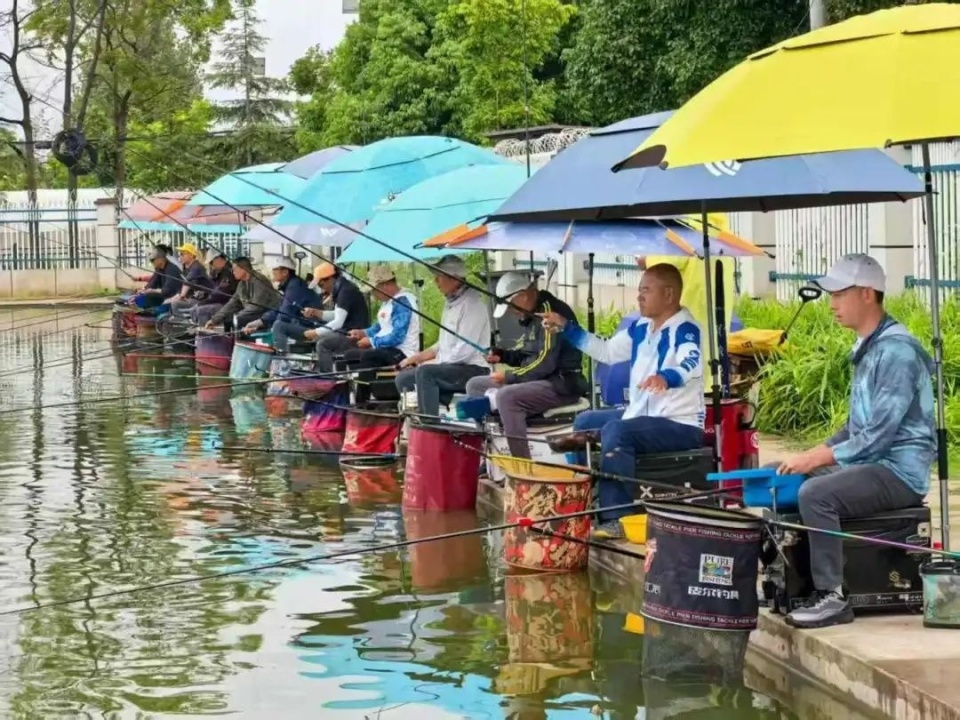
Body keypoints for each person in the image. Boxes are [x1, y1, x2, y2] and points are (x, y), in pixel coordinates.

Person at [768, 254, 934, 630]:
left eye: (839, 295)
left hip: (897, 473)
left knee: (816, 494)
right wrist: (809, 455)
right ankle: (795, 582)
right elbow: (855, 426)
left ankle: (833, 597)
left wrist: (819, 460)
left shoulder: (896, 352)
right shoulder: (869, 347)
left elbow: (876, 438)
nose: (832, 304)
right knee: (778, 474)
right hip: (870, 464)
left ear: (866, 295)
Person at [542, 264, 705, 539]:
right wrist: (567, 329)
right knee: (584, 421)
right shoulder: (641, 327)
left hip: (679, 424)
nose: (639, 297)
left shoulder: (686, 328)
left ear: (668, 294)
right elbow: (605, 351)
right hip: (640, 415)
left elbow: (693, 363)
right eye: (639, 290)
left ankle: (617, 517)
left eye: (645, 290)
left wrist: (667, 377)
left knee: (616, 431)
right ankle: (585, 501)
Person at [465, 271, 586, 459]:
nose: (513, 312)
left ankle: (522, 466)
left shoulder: (549, 312)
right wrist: (502, 355)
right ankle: (489, 452)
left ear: (523, 295)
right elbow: (527, 355)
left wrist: (510, 377)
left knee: (507, 396)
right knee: (475, 385)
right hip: (539, 380)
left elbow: (545, 362)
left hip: (561, 383)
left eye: (512, 306)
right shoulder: (530, 315)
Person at [395, 255, 491, 417]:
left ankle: (430, 422)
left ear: (454, 279)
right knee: (403, 379)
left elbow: (464, 351)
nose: (435, 282)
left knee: (426, 373)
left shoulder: (472, 306)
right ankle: (421, 414)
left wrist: (434, 363)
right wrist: (416, 358)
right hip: (451, 366)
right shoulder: (450, 303)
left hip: (472, 368)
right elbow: (443, 343)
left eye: (438, 277)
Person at [342, 265, 420, 397]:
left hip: (402, 352)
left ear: (384, 285)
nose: (373, 295)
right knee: (350, 354)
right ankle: (360, 396)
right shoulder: (388, 302)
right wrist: (363, 333)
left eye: (373, 290)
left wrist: (372, 341)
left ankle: (363, 400)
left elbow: (397, 336)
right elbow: (379, 327)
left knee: (369, 356)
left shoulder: (402, 303)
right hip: (387, 349)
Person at [302, 262, 370, 372]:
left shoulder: (345, 291)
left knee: (322, 344)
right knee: (319, 340)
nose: (322, 290)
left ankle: (328, 378)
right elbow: (338, 314)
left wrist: (316, 332)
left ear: (329, 279)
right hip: (347, 330)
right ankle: (330, 371)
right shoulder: (342, 288)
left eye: (321, 285)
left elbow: (338, 322)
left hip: (355, 334)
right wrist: (317, 313)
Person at [248, 257, 323, 350]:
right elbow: (280, 308)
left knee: (279, 326)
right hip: (301, 324)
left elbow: (285, 313)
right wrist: (260, 322)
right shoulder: (291, 285)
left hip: (310, 326)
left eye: (275, 269)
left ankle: (281, 359)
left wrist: (272, 327)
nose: (273, 271)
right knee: (275, 325)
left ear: (285, 272)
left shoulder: (295, 286)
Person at [203, 257, 280, 332]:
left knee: (239, 319)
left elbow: (256, 306)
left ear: (244, 269)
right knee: (229, 319)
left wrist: (237, 316)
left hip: (269, 315)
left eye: (235, 269)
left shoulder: (259, 281)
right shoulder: (241, 284)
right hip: (254, 314)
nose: (233, 272)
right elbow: (232, 303)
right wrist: (214, 320)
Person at [161, 243, 212, 313]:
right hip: (194, 298)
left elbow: (187, 283)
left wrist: (180, 296)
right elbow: (183, 287)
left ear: (191, 255)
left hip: (203, 300)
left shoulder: (196, 267)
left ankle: (179, 321)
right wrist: (174, 297)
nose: (180, 257)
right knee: (169, 301)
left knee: (175, 303)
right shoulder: (187, 268)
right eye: (180, 254)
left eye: (182, 254)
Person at [193, 250, 239, 327]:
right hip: (221, 302)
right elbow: (212, 287)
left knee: (201, 310)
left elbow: (221, 294)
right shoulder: (217, 272)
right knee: (195, 307)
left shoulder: (228, 272)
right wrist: (204, 293)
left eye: (211, 262)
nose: (211, 265)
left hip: (228, 304)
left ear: (218, 259)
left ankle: (205, 335)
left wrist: (204, 301)